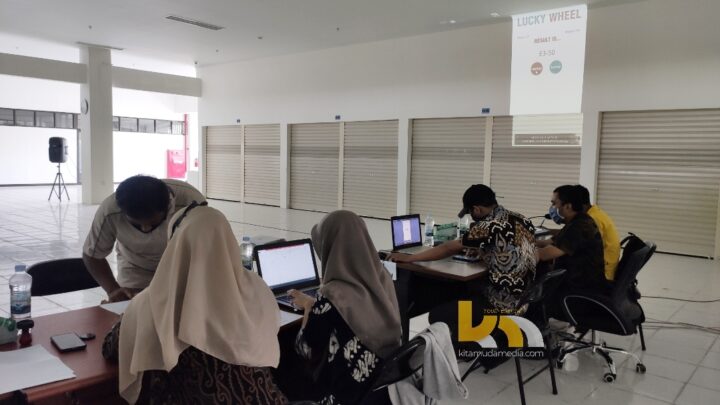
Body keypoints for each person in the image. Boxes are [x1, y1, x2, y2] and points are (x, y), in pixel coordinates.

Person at [102, 205, 287, 404]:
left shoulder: (154, 302)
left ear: (176, 244)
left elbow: (110, 349)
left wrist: (128, 315)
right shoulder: (256, 289)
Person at [288, 210, 402, 405]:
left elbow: (305, 349)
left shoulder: (332, 294)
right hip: (383, 388)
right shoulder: (383, 277)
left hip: (345, 395)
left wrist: (308, 305)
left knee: (285, 362)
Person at [389, 184, 537, 313]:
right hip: (525, 301)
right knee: (461, 292)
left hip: (502, 305)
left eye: (470, 212)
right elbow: (512, 250)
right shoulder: (522, 219)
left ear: (477, 209)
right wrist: (484, 251)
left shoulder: (488, 225)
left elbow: (449, 248)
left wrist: (410, 258)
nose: (472, 216)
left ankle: (466, 336)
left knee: (439, 313)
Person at [83, 175, 205, 302]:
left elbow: (206, 247)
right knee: (134, 308)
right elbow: (92, 255)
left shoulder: (192, 203)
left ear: (168, 207)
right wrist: (113, 290)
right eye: (136, 225)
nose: (145, 229)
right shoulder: (110, 210)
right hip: (135, 269)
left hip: (180, 266)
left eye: (153, 224)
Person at [536, 185, 606, 293]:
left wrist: (518, 250)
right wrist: (526, 239)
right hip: (575, 279)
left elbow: (544, 255)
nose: (551, 208)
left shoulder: (579, 227)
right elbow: (547, 243)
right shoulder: (577, 221)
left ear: (568, 206)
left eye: (554, 203)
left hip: (580, 287)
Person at [576, 185, 621, 281]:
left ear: (579, 205)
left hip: (603, 273)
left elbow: (583, 245)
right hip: (607, 264)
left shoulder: (592, 218)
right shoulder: (595, 212)